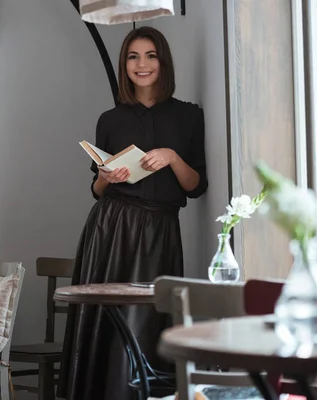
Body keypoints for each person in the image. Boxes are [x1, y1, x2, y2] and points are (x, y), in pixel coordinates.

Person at [58, 26, 208, 400]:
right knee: (108, 320)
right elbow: (96, 190)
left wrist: (172, 157)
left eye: (150, 55)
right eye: (133, 56)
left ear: (163, 61)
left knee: (148, 321)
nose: (142, 64)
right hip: (110, 228)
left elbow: (196, 186)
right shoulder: (110, 119)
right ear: (125, 64)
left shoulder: (188, 116)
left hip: (160, 229)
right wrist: (107, 176)